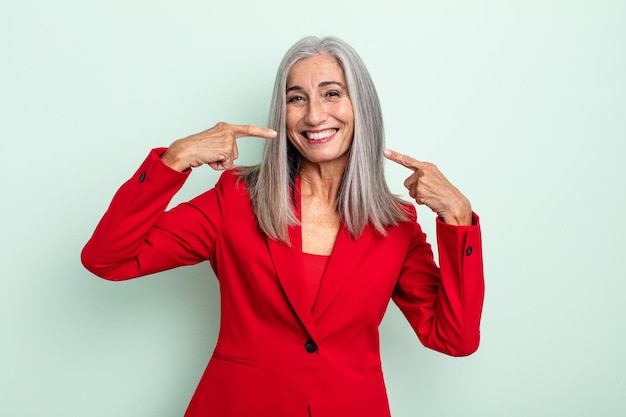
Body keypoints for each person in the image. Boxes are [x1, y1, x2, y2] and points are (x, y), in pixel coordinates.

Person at [81, 36, 484, 417]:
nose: (313, 115)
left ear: (361, 106)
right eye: (296, 98)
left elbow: (453, 337)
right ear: (282, 113)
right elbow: (109, 260)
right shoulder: (235, 200)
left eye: (332, 93)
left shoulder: (396, 226)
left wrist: (459, 219)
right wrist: (175, 158)